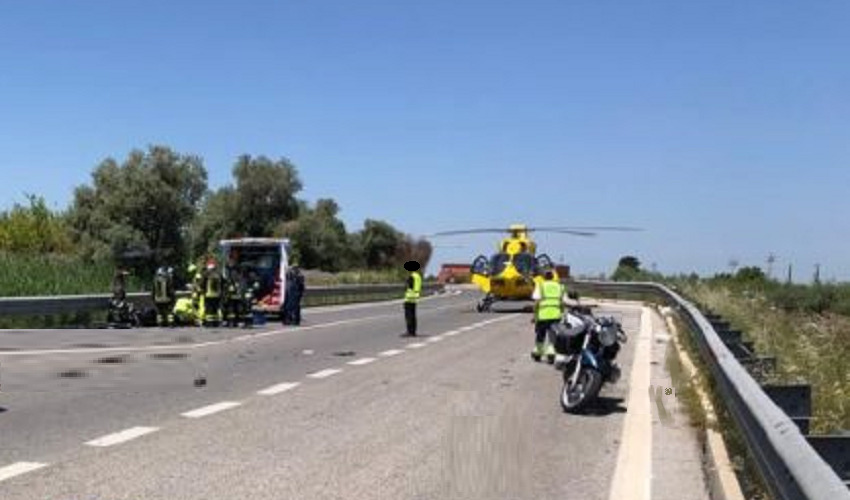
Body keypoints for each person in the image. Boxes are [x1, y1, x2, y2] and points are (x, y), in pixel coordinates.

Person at [531, 269, 565, 363]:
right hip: (555, 315)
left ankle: (538, 352)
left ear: (544, 277)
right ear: (552, 277)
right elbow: (562, 303)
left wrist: (534, 316)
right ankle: (551, 353)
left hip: (543, 315)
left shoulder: (541, 286)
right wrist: (562, 313)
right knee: (553, 335)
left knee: (540, 335)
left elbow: (536, 303)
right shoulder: (559, 286)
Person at [401, 261, 422, 337]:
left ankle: (409, 332)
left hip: (409, 297)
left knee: (408, 316)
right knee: (413, 316)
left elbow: (409, 287)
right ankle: (413, 332)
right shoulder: (418, 276)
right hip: (415, 298)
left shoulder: (411, 276)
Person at [201, 259, 223, 326]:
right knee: (215, 309)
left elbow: (202, 283)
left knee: (209, 309)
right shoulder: (219, 274)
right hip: (217, 295)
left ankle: (209, 322)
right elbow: (223, 283)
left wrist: (201, 290)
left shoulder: (206, 274)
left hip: (208, 294)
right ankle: (216, 322)